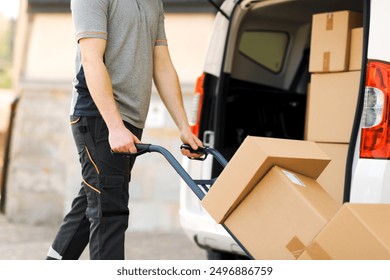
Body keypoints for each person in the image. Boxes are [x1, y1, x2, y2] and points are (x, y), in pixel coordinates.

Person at [46, 0, 203, 260]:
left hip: (129, 121)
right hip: (99, 117)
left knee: (91, 200)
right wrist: (115, 126)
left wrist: (184, 127)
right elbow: (91, 58)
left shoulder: (154, 3)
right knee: (110, 212)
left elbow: (161, 63)